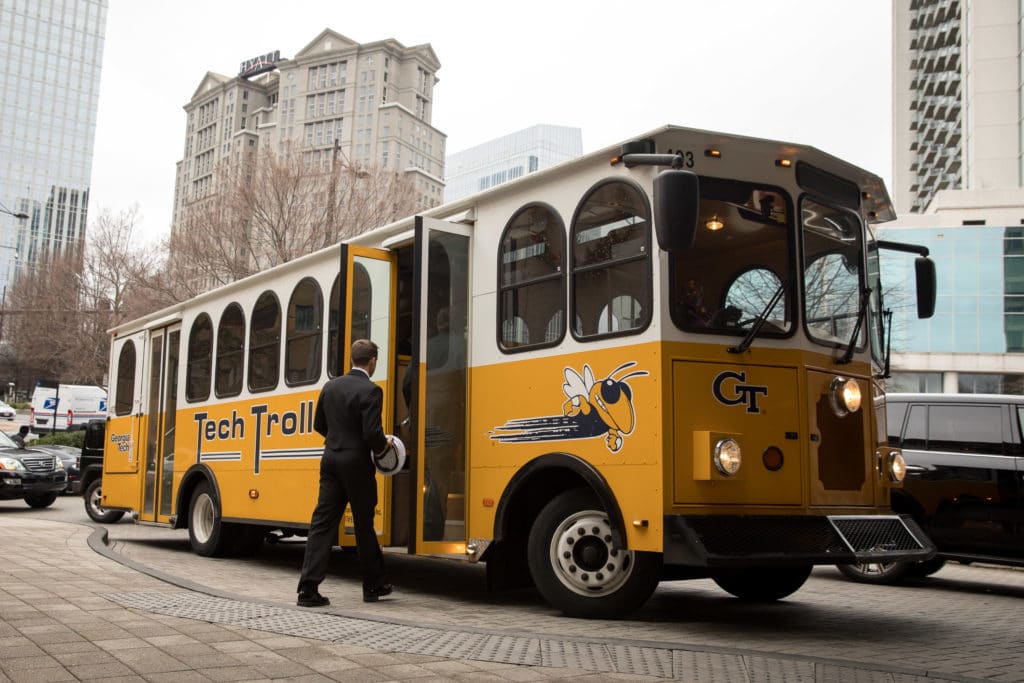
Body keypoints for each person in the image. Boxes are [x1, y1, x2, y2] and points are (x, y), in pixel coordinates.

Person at [297, 339, 393, 607]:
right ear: (372, 360)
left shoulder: (331, 386)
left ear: (353, 359)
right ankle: (373, 586)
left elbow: (319, 424)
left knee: (323, 523)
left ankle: (308, 589)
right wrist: (384, 448)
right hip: (357, 464)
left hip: (330, 459)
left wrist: (338, 441)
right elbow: (372, 433)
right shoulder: (371, 391)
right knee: (363, 524)